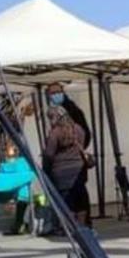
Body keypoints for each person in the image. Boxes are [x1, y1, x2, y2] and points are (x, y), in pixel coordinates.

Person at [41, 85, 92, 227]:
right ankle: (83, 225)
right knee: (80, 196)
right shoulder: (78, 128)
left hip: (61, 170)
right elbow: (86, 138)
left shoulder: (56, 132)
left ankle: (71, 227)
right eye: (53, 93)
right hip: (79, 166)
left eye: (58, 92)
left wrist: (46, 171)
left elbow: (50, 154)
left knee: (67, 200)